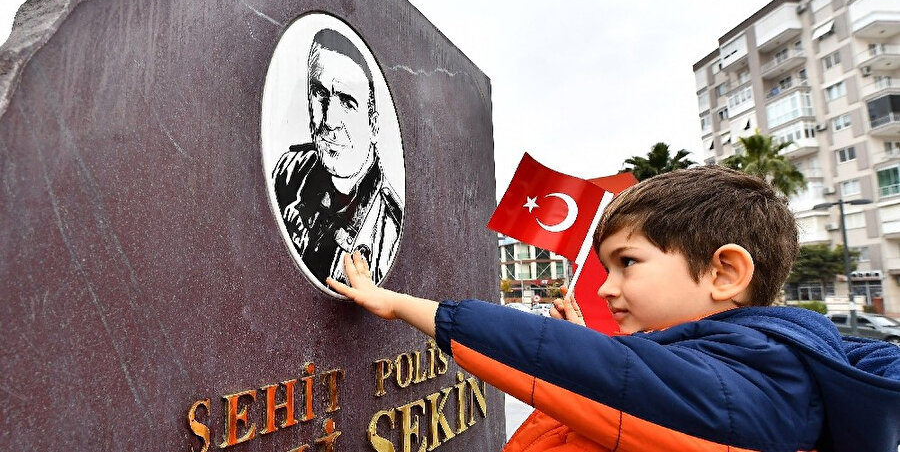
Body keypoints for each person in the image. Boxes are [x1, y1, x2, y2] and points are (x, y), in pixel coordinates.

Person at [328, 166, 900, 452]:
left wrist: (402, 304)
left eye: (628, 263)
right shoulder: (741, 366)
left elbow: (594, 375)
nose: (606, 288)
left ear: (725, 273)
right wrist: (613, 349)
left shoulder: (753, 387)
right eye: (605, 269)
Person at [273, 28, 402, 287]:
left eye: (347, 102)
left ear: (374, 125)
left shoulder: (388, 229)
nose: (329, 121)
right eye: (320, 93)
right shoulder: (288, 171)